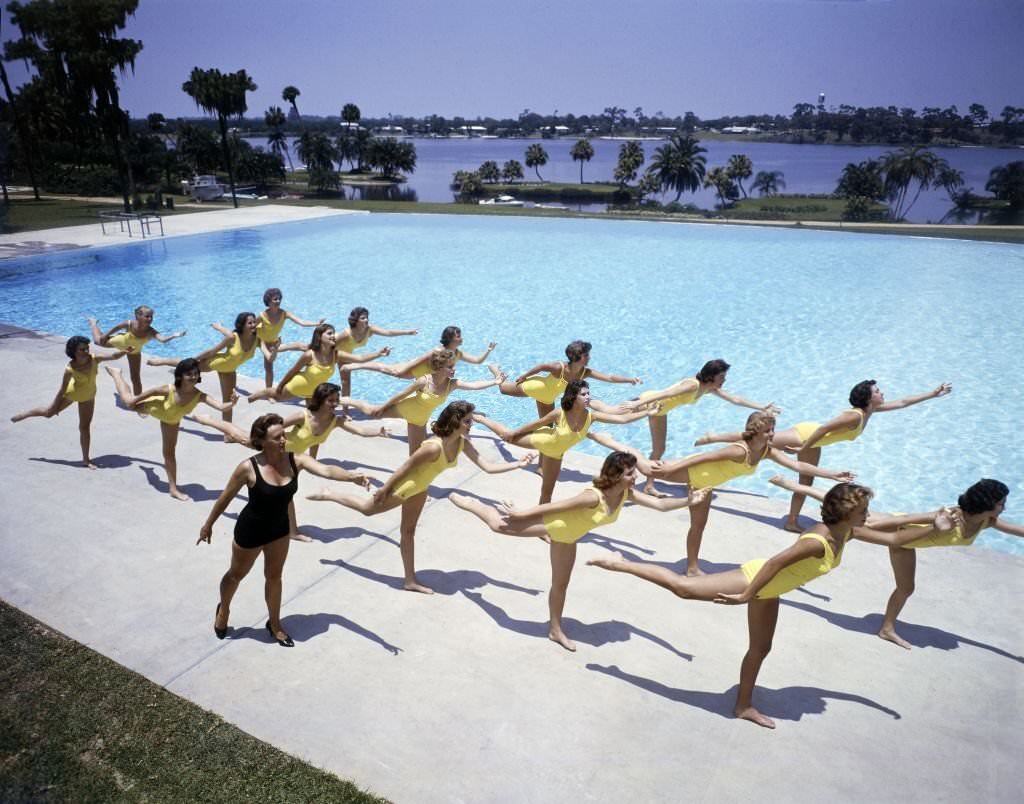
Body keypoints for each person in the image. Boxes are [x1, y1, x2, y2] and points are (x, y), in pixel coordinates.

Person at [587, 483, 955, 729]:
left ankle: (742, 705)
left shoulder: (849, 531)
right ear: (845, 514)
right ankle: (617, 562)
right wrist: (747, 595)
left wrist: (934, 528)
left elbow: (894, 535)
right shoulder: (817, 541)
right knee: (683, 588)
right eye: (863, 510)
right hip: (756, 580)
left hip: (769, 590)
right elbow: (775, 563)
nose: (868, 514)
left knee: (761, 648)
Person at [450, 452, 710, 651]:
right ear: (617, 474)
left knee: (560, 584)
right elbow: (556, 507)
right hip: (554, 526)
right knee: (498, 525)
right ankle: (473, 504)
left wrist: (689, 501)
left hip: (570, 537)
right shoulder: (593, 496)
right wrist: (522, 512)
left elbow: (660, 505)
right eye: (631, 473)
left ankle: (555, 629)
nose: (636, 477)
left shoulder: (626, 494)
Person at [769, 475, 1024, 649]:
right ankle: (793, 485)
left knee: (906, 588)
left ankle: (886, 629)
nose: (1004, 507)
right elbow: (905, 523)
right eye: (1001, 503)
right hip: (900, 531)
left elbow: (1016, 530)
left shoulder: (986, 521)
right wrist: (875, 524)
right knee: (844, 513)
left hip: (907, 544)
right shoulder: (951, 518)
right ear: (987, 503)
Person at [307, 401, 535, 594]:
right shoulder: (433, 447)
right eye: (467, 421)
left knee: (408, 532)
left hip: (420, 488)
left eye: (470, 420)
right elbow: (406, 466)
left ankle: (409, 581)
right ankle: (330, 493)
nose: (470, 424)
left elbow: (487, 467)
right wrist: (386, 488)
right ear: (455, 421)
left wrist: (518, 463)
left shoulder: (462, 444)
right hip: (404, 488)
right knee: (367, 509)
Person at [197, 413, 370, 646]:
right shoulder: (248, 468)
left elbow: (326, 470)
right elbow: (225, 497)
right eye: (278, 436)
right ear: (263, 441)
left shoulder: (295, 460)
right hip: (251, 530)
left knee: (274, 577)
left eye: (283, 434)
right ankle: (224, 609)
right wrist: (208, 524)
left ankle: (275, 624)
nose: (283, 439)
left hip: (279, 529)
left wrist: (351, 476)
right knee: (236, 575)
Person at [696, 379, 952, 532]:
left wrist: (932, 393)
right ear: (867, 397)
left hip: (813, 442)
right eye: (877, 391)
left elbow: (903, 402)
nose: (882, 393)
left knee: (804, 481)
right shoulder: (854, 415)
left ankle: (792, 521)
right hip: (806, 436)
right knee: (754, 439)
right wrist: (803, 446)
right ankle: (713, 437)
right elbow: (826, 427)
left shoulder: (871, 410)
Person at [648, 411, 854, 576]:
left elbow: (798, 464)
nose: (772, 434)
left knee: (698, 526)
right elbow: (704, 457)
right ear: (755, 432)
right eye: (767, 431)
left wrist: (831, 474)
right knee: (646, 468)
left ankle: (692, 568)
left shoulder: (766, 451)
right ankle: (623, 452)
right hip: (690, 472)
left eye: (772, 429)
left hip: (705, 484)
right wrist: (669, 470)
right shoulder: (740, 450)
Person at [195, 381, 389, 542]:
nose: (335, 404)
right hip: (275, 448)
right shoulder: (302, 416)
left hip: (293, 458)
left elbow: (361, 431)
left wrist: (378, 432)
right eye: (331, 400)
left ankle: (293, 531)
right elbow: (276, 427)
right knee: (242, 437)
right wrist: (267, 442)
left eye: (336, 400)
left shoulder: (335, 421)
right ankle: (209, 420)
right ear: (320, 400)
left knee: (286, 494)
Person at [473, 379, 652, 504]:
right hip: (541, 440)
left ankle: (542, 523)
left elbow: (623, 420)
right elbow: (537, 423)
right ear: (574, 397)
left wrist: (647, 412)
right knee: (505, 435)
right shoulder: (560, 414)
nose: (588, 397)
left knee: (547, 492)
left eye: (589, 393)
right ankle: (481, 419)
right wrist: (514, 433)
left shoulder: (592, 416)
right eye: (584, 394)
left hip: (556, 453)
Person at [621, 359, 779, 495]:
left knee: (659, 449)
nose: (724, 379)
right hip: (649, 403)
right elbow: (665, 393)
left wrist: (762, 406)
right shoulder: (693, 385)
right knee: (612, 417)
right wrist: (637, 403)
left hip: (660, 411)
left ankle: (648, 486)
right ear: (711, 375)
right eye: (722, 376)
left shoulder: (709, 388)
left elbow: (735, 399)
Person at [106, 358, 238, 501]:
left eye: (196, 373)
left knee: (169, 454)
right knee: (126, 400)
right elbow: (153, 391)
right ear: (180, 375)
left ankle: (173, 489)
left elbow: (221, 407)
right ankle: (116, 374)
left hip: (171, 421)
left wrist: (232, 403)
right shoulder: (169, 389)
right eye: (189, 374)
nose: (193, 377)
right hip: (153, 407)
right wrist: (135, 400)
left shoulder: (199, 396)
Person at [341, 349, 504, 453]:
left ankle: (417, 489)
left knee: (416, 453)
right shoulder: (424, 381)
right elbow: (400, 396)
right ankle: (348, 400)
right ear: (440, 368)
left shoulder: (452, 384)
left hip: (419, 420)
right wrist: (383, 407)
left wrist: (494, 382)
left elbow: (474, 385)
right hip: (405, 409)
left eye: (453, 367)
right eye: (450, 367)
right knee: (371, 411)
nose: (453, 370)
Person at [11, 335, 128, 468]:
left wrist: (124, 351)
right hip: (72, 394)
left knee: (84, 427)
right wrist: (54, 406)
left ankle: (86, 459)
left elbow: (113, 356)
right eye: (82, 349)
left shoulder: (95, 358)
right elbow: (62, 389)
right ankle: (24, 414)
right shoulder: (70, 368)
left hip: (88, 396)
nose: (86, 351)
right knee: (49, 413)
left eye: (87, 348)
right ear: (74, 352)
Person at [147, 312, 261, 424]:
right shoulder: (232, 338)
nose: (253, 325)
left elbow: (269, 348)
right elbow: (212, 350)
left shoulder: (256, 338)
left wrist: (219, 327)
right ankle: (162, 361)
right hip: (215, 362)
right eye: (250, 323)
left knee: (229, 400)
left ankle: (228, 433)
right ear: (242, 325)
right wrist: (194, 360)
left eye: (254, 322)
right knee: (187, 364)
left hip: (229, 370)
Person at [491, 340, 641, 418]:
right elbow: (542, 366)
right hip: (534, 387)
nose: (589, 357)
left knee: (548, 428)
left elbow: (609, 377)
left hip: (547, 399)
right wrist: (524, 376)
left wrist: (629, 380)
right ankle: (495, 370)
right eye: (586, 355)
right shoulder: (559, 367)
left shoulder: (585, 373)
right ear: (577, 357)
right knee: (503, 389)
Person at [88, 306, 186, 394]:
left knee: (135, 377)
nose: (150, 319)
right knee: (98, 341)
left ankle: (137, 401)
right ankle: (93, 323)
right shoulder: (130, 323)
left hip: (134, 352)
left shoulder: (151, 331)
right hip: (119, 342)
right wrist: (105, 336)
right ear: (138, 316)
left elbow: (162, 339)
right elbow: (116, 328)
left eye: (151, 317)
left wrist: (174, 336)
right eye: (147, 316)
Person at [343, 325, 497, 380]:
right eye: (458, 335)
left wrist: (488, 351)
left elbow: (477, 361)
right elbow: (419, 361)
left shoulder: (457, 354)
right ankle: (354, 366)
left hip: (420, 377)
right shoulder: (438, 351)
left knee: (384, 367)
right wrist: (403, 371)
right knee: (383, 368)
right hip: (411, 370)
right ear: (450, 338)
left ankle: (355, 365)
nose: (461, 337)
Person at [331, 306, 418, 398]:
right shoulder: (346, 334)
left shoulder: (369, 329)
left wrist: (407, 332)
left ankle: (345, 409)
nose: (366, 320)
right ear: (355, 320)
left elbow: (387, 332)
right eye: (363, 318)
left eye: (367, 317)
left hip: (346, 355)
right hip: (333, 351)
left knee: (346, 382)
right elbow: (330, 344)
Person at [247, 323, 337, 404]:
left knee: (311, 414)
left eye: (333, 333)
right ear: (319, 337)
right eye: (330, 333)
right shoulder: (310, 353)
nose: (333, 336)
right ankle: (262, 393)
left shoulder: (332, 353)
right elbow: (293, 370)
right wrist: (280, 385)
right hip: (299, 385)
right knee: (278, 396)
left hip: (313, 389)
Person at [253, 288, 322, 388]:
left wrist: (316, 323)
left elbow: (301, 322)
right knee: (269, 367)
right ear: (268, 301)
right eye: (275, 299)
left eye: (279, 299)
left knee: (300, 346)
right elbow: (250, 328)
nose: (278, 301)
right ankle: (269, 392)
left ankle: (316, 362)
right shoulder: (262, 316)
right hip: (260, 341)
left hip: (273, 343)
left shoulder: (284, 313)